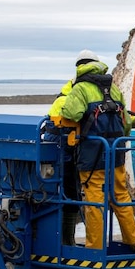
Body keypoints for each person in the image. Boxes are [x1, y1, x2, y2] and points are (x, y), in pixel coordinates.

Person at [60, 50, 135, 251]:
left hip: (92, 155)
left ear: (79, 67)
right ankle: (133, 238)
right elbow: (125, 123)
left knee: (95, 201)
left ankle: (95, 247)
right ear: (98, 65)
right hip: (115, 152)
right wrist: (134, 123)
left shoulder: (80, 88)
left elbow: (72, 114)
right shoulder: (113, 89)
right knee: (120, 194)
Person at [45, 78, 81, 245]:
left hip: (53, 153)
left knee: (54, 193)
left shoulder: (61, 99)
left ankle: (58, 239)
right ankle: (67, 241)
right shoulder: (69, 102)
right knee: (71, 194)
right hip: (64, 154)